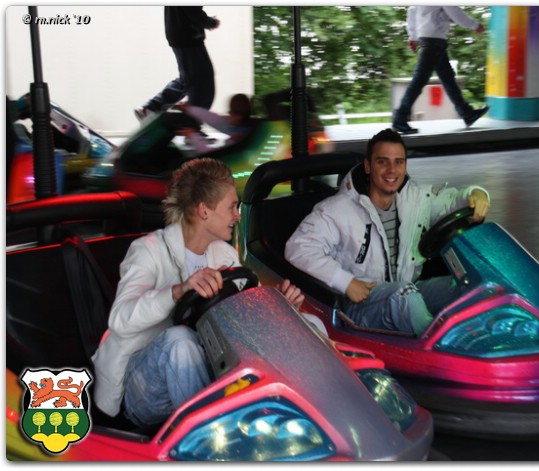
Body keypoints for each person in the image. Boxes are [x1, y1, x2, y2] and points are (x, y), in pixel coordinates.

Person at [91, 158, 304, 428]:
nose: (238, 215)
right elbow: (120, 319)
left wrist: (280, 306)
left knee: (305, 325)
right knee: (180, 340)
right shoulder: (148, 251)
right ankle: (214, 436)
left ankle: (287, 423)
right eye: (231, 207)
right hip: (142, 388)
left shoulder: (224, 255)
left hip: (203, 370)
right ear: (204, 210)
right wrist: (178, 291)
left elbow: (248, 315)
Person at [285, 128, 490, 336]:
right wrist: (346, 282)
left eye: (398, 162)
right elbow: (299, 247)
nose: (392, 170)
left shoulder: (415, 199)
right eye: (383, 162)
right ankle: (447, 347)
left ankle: (485, 339)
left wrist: (476, 194)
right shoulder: (337, 210)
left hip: (408, 290)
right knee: (405, 295)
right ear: (368, 166)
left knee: (469, 284)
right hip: (361, 304)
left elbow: (452, 201)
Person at [392, 6, 489, 135]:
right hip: (435, 40)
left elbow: (412, 11)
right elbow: (454, 11)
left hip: (427, 38)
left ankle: (467, 113)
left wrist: (413, 37)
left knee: (448, 79)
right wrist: (474, 25)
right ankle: (399, 118)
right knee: (419, 80)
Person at [135, 6, 220, 120]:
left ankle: (151, 108)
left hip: (182, 34)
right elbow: (191, 8)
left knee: (189, 79)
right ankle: (191, 124)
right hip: (187, 35)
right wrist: (209, 22)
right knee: (202, 81)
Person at [175, 93, 255, 153]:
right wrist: (189, 109)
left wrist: (192, 135)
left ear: (237, 116)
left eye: (230, 112)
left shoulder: (237, 139)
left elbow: (209, 153)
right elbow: (214, 119)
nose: (228, 116)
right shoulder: (245, 128)